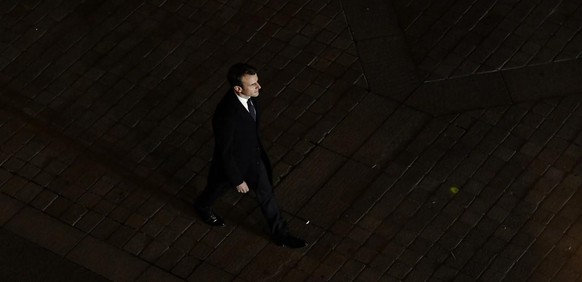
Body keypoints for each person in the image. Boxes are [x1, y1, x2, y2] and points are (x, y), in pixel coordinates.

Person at [194, 63, 307, 249]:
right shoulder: (226, 114)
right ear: (238, 89)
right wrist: (238, 179)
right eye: (253, 84)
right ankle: (202, 206)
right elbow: (225, 150)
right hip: (233, 166)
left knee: (266, 194)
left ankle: (281, 235)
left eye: (257, 82)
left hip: (253, 160)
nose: (259, 87)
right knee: (216, 189)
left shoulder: (252, 99)